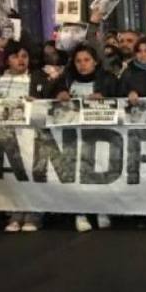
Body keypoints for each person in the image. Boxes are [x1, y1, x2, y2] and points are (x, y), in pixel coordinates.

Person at [0, 41, 53, 233]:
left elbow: (50, 100)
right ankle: (16, 211)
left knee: (32, 171)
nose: (20, 60)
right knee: (13, 172)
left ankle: (34, 212)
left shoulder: (38, 78)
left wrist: (38, 102)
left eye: (24, 56)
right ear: (7, 60)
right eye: (15, 56)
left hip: (31, 133)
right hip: (5, 133)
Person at [55, 44, 116, 232]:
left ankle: (101, 209)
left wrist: (105, 96)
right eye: (78, 61)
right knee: (77, 172)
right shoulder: (65, 80)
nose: (82, 65)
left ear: (95, 61)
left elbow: (119, 98)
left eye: (87, 60)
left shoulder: (108, 80)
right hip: (73, 135)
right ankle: (79, 211)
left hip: (100, 134)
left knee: (99, 171)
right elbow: (49, 96)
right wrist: (59, 94)